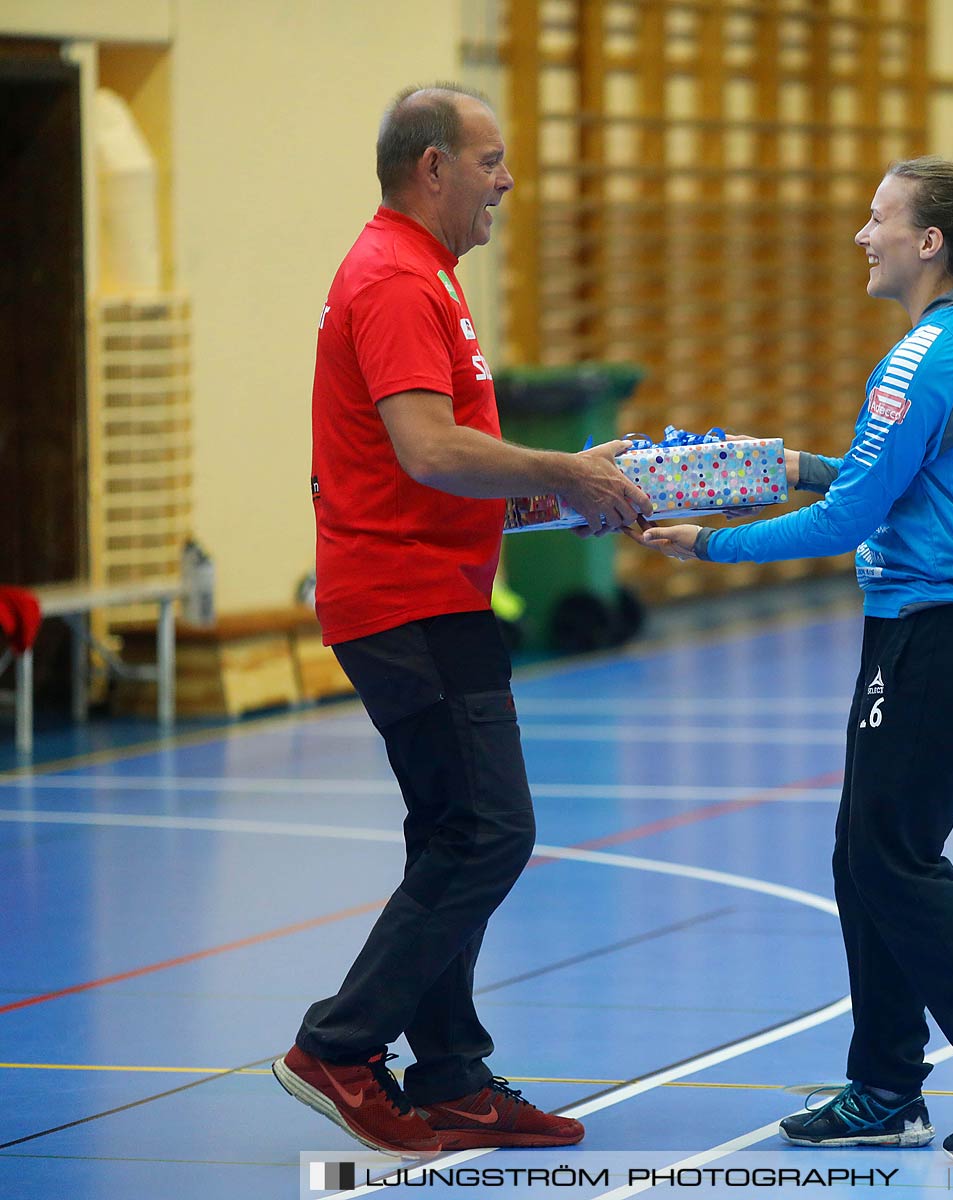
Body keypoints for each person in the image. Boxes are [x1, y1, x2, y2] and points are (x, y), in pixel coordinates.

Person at [636, 157, 953, 1161]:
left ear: (929, 243)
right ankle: (886, 1085)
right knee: (865, 855)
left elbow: (851, 517)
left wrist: (707, 540)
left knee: (893, 857)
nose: (861, 234)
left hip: (944, 632)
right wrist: (782, 464)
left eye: (878, 218)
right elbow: (898, 484)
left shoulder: (921, 356)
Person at [272, 84, 651, 1154]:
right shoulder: (394, 277)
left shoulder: (423, 274)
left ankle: (450, 1075)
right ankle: (341, 1046)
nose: (508, 181)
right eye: (491, 161)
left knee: (450, 832)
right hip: (407, 605)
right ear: (432, 167)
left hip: (430, 589)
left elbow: (437, 465)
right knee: (490, 829)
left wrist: (548, 492)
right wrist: (562, 464)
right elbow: (428, 451)